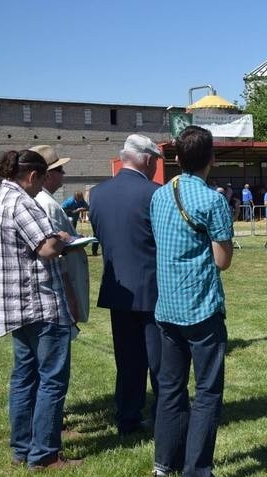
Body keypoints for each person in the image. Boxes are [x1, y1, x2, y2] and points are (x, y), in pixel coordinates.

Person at [0, 150, 80, 470]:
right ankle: (45, 454)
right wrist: (63, 239)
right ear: (33, 176)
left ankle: (22, 449)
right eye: (40, 181)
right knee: (51, 379)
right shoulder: (23, 202)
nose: (41, 189)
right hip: (39, 304)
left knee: (24, 377)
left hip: (12, 306)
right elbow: (47, 248)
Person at [149, 125, 235, 477]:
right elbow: (222, 260)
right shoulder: (212, 201)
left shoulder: (159, 196)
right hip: (200, 308)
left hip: (166, 307)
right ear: (211, 159)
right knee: (207, 393)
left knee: (169, 389)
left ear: (177, 159)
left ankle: (163, 463)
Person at [88, 134, 162, 436]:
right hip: (154, 288)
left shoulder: (98, 193)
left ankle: (127, 416)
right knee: (160, 362)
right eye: (156, 160)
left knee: (127, 360)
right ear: (146, 159)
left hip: (118, 289)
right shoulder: (155, 193)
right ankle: (163, 416)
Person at [30, 145, 90, 323]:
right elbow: (54, 252)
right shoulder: (47, 204)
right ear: (47, 175)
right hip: (60, 290)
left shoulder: (42, 199)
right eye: (60, 169)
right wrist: (74, 241)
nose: (63, 173)